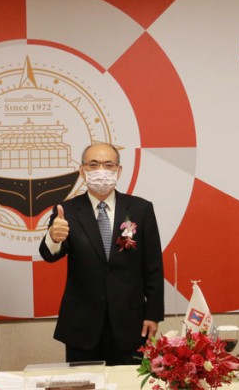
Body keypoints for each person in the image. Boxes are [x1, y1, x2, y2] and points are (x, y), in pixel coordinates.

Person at [40, 142, 164, 365]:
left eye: (108, 165)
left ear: (119, 170)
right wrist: (54, 237)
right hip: (82, 325)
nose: (101, 171)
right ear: (82, 170)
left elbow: (153, 266)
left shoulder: (140, 209)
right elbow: (49, 255)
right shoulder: (66, 210)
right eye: (94, 165)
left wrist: (153, 313)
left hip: (130, 322)